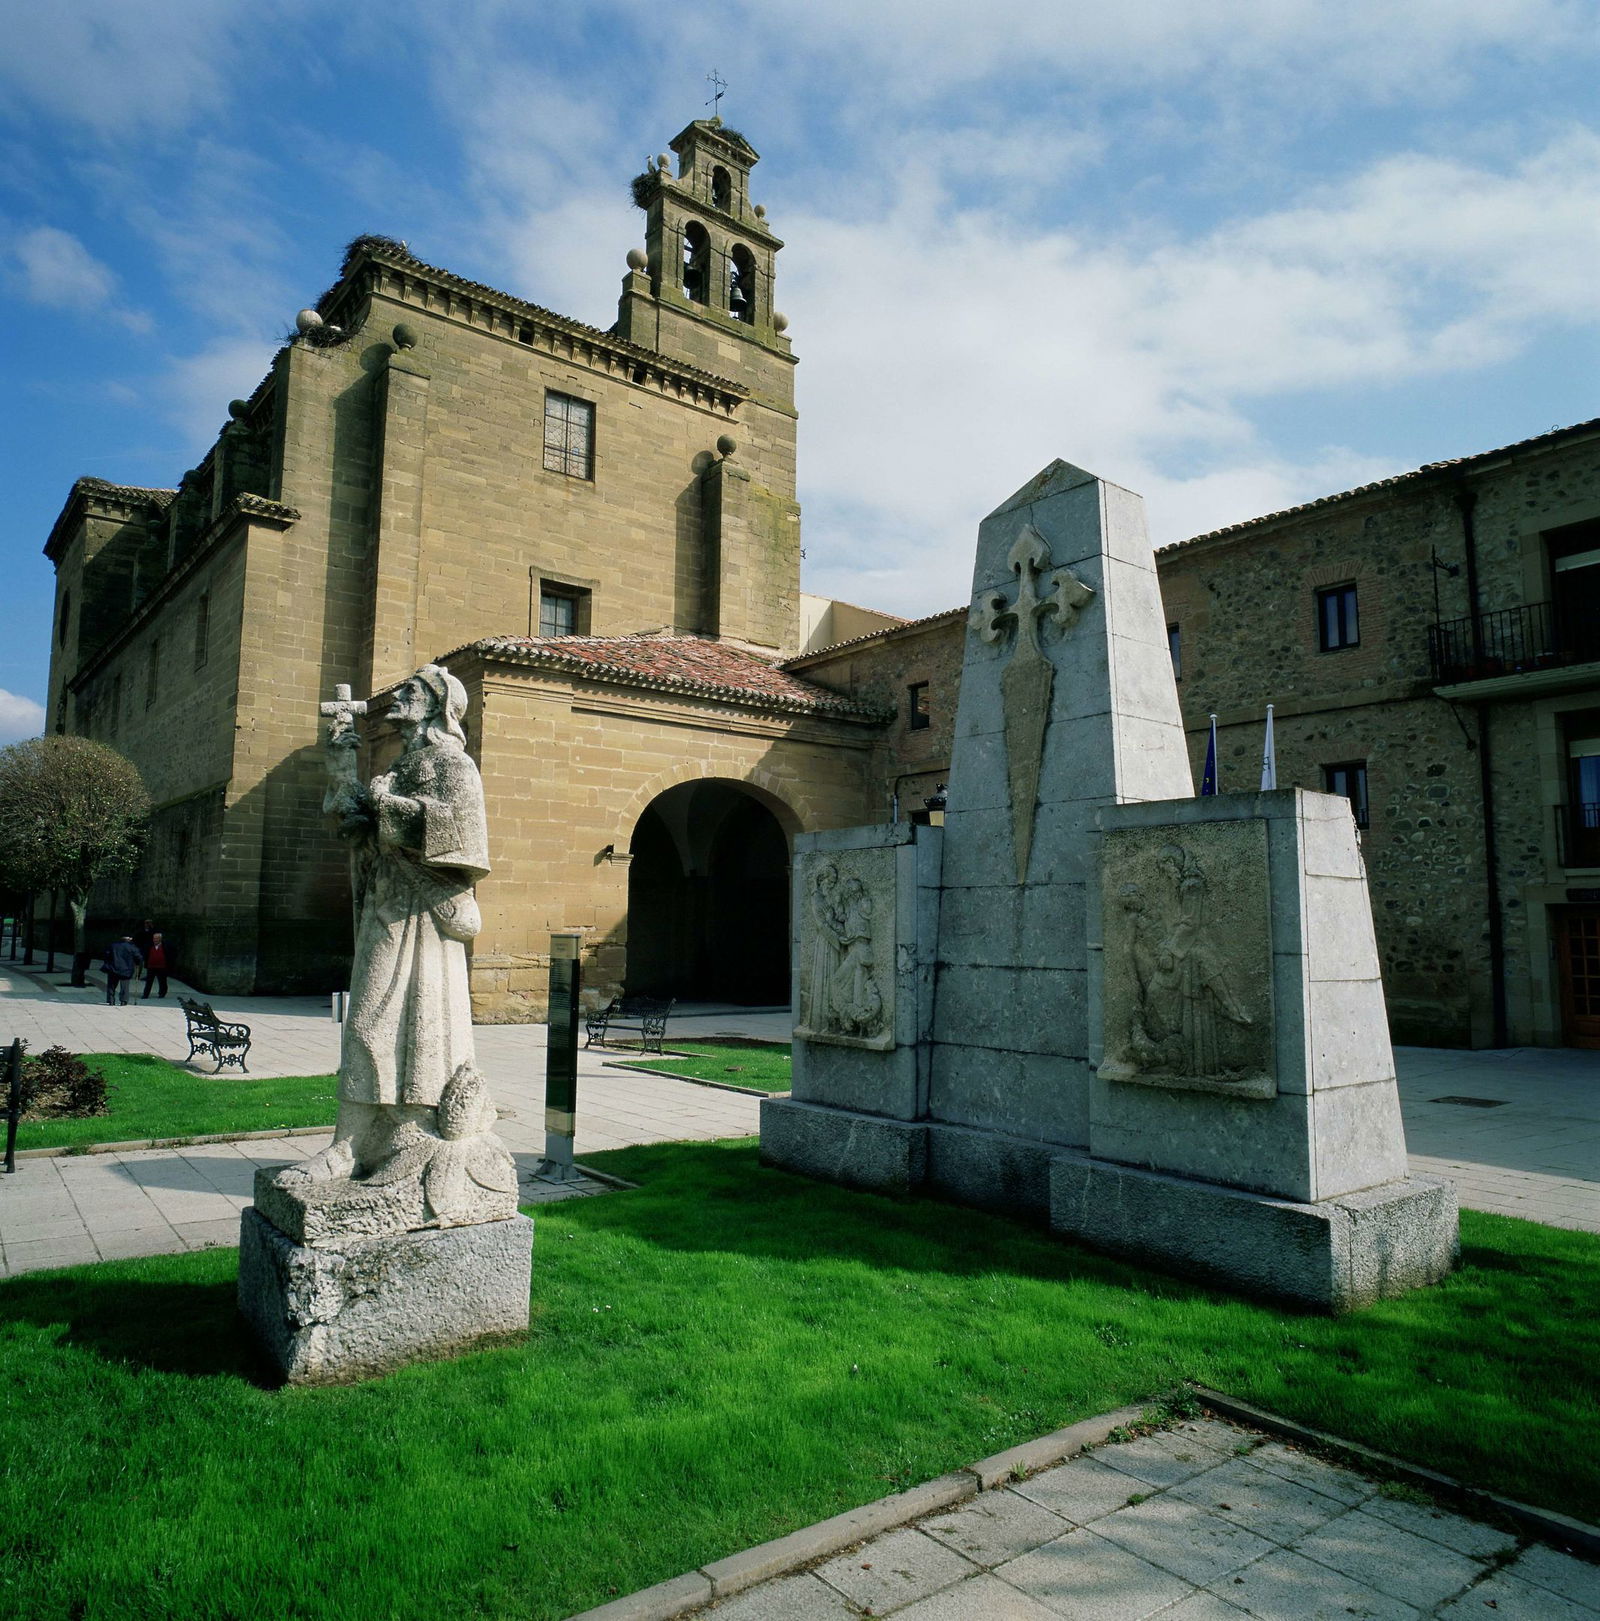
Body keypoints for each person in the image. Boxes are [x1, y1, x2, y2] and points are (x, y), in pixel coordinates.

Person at [281, 664, 494, 1187]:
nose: (399, 694)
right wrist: (340, 769)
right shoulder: (401, 765)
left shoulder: (452, 763)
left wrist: (385, 804)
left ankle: (411, 1138)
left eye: (413, 689)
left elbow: (465, 835)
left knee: (418, 1027)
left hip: (423, 916)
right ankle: (346, 1146)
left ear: (438, 705)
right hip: (386, 908)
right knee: (369, 1023)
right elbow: (355, 827)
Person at [102, 934, 143, 1006]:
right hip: (126, 969)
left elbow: (106, 955)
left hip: (113, 968)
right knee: (125, 986)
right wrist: (137, 963)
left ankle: (111, 1000)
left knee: (111, 985)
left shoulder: (113, 946)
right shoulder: (132, 947)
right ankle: (123, 1001)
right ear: (130, 938)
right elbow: (139, 957)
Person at [141, 932, 170, 999]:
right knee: (149, 981)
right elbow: (145, 954)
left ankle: (162, 993)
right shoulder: (149, 945)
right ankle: (145, 994)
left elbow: (169, 955)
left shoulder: (165, 946)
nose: (155, 940)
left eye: (157, 938)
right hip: (151, 966)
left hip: (162, 967)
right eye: (154, 938)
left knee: (162, 981)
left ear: (160, 939)